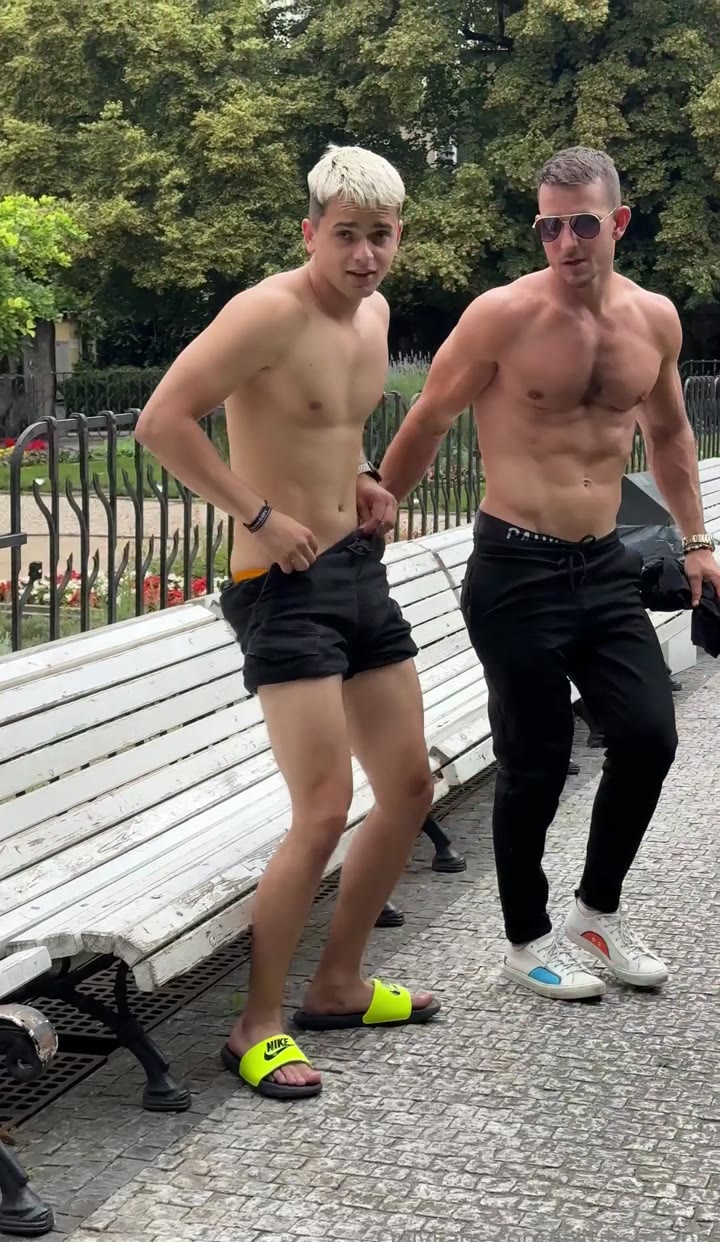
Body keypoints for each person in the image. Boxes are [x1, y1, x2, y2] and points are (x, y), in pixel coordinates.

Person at [378, 146, 720, 1001]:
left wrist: (697, 540)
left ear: (619, 222)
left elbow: (669, 435)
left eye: (583, 224)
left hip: (604, 564)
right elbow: (429, 419)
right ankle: (525, 939)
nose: (565, 242)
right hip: (515, 569)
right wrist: (377, 511)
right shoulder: (502, 316)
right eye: (549, 227)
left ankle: (595, 915)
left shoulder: (654, 320)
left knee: (649, 735)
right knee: (534, 758)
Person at [134, 144, 440, 1101]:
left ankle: (339, 985)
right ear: (311, 231)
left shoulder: (374, 316)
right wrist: (256, 513)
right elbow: (162, 422)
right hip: (281, 584)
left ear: (398, 236)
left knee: (409, 786)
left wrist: (364, 478)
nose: (363, 255)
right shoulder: (265, 312)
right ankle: (253, 1026)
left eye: (379, 236)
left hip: (356, 570)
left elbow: (330, 427)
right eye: (345, 235)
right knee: (322, 808)